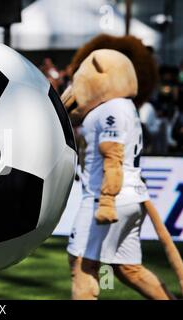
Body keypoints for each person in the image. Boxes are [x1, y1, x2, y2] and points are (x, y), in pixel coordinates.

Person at [62, 49, 174, 300]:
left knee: (82, 265)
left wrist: (106, 200)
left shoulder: (112, 108)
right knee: (127, 269)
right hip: (131, 197)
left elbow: (112, 155)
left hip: (106, 199)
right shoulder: (124, 106)